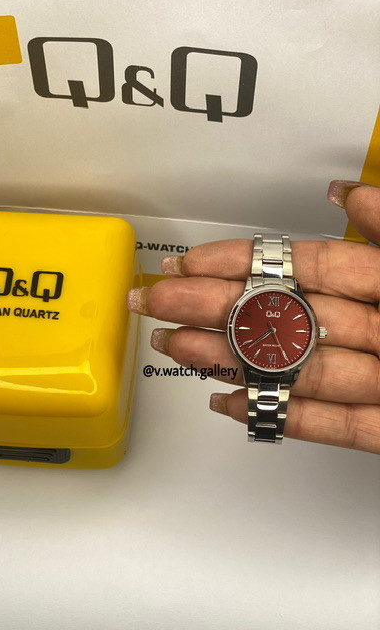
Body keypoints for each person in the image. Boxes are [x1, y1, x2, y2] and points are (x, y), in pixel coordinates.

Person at [126, 180, 380, 454]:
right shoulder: (261, 321)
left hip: (274, 357)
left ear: (316, 333)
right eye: (271, 330)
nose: (273, 331)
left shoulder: (293, 333)